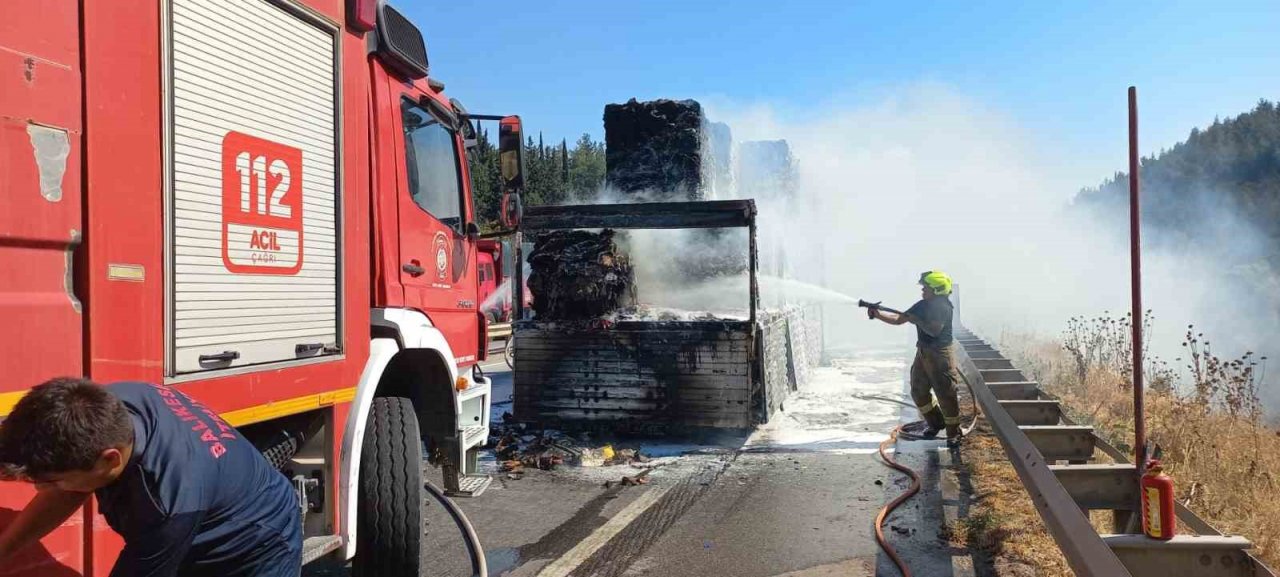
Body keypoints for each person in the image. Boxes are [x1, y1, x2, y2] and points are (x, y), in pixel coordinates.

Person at [0, 378, 302, 577]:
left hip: (258, 548)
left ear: (110, 460)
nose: (41, 489)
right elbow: (68, 488)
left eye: (51, 481)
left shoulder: (167, 505)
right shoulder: (101, 409)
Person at [867, 271, 964, 446]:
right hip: (923, 353)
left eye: (926, 288)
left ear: (937, 289)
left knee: (946, 394)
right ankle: (935, 423)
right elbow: (898, 319)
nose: (922, 291)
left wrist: (916, 320)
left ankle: (953, 434)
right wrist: (878, 314)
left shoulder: (943, 306)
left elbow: (934, 330)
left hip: (940, 354)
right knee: (918, 391)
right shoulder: (922, 305)